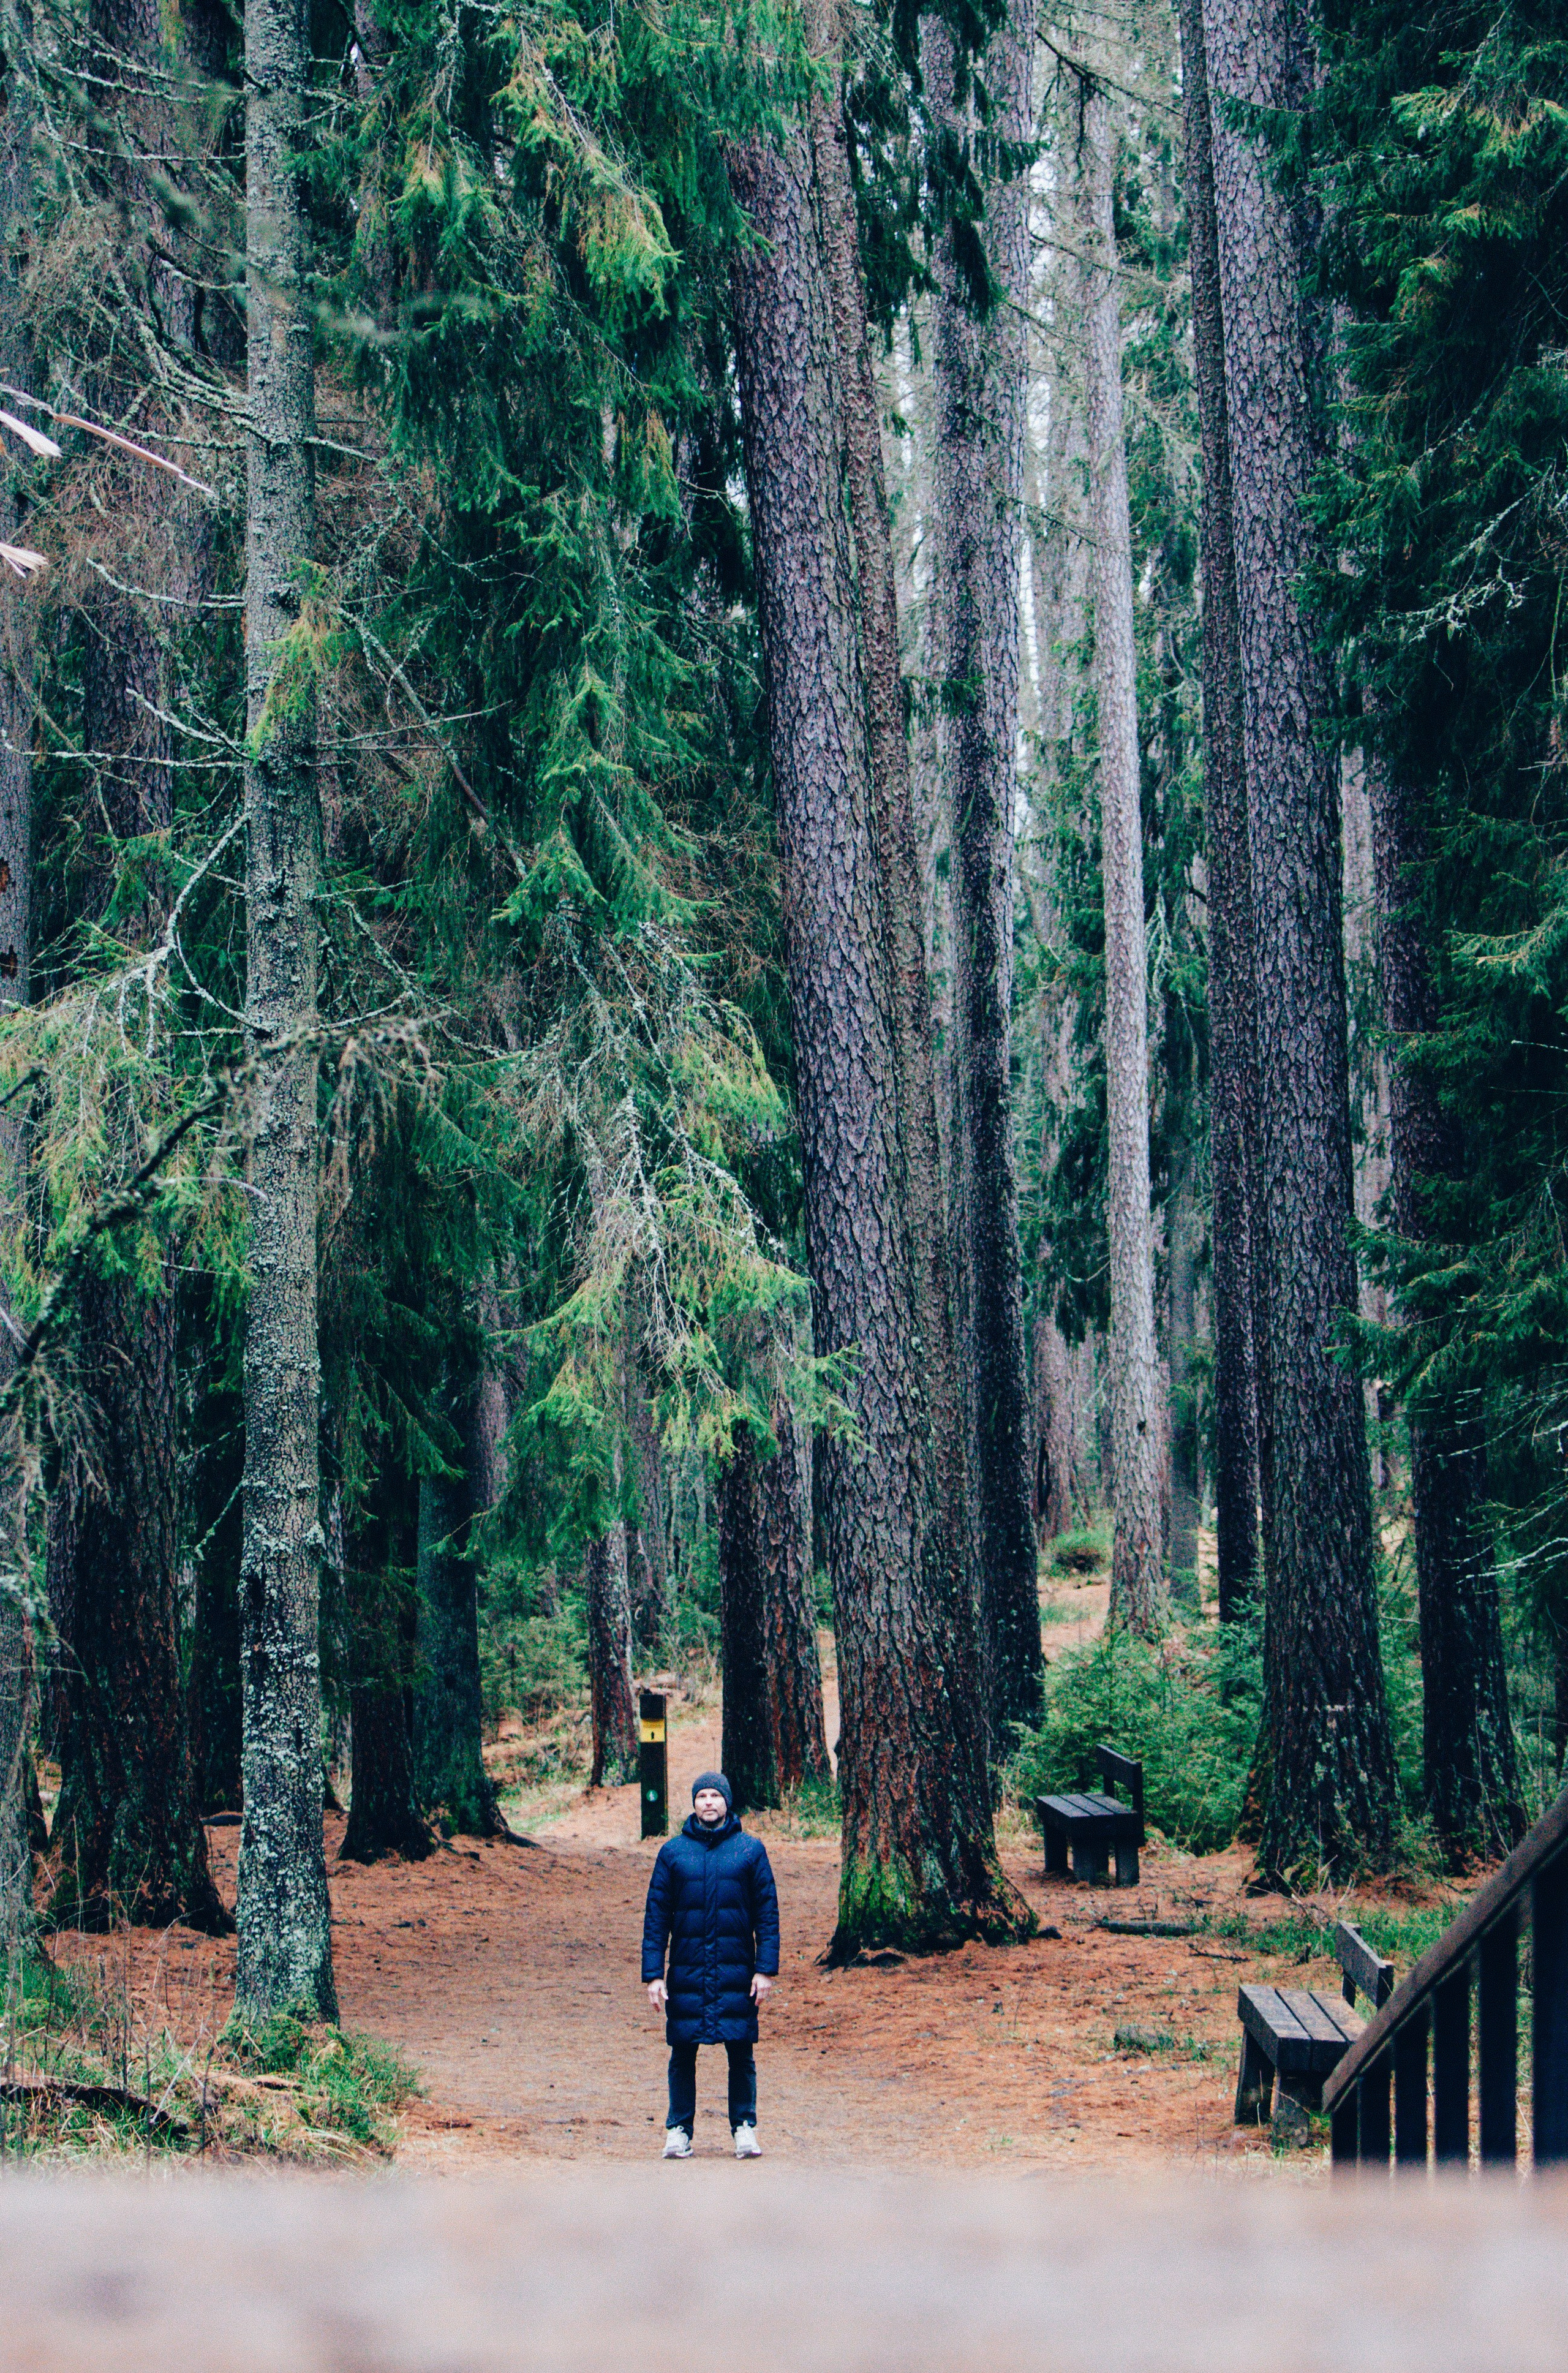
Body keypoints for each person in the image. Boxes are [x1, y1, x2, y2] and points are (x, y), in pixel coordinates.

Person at [641, 1769, 780, 2159]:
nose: (708, 1803)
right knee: (683, 2051)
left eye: (715, 1796)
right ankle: (679, 2130)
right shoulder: (672, 1853)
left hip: (737, 1972)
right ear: (694, 1803)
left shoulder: (750, 1851)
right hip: (687, 1972)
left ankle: (745, 2128)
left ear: (726, 1802)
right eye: (702, 1796)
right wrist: (653, 1975)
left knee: (741, 2051)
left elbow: (767, 1915)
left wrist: (766, 1970)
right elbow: (657, 1918)